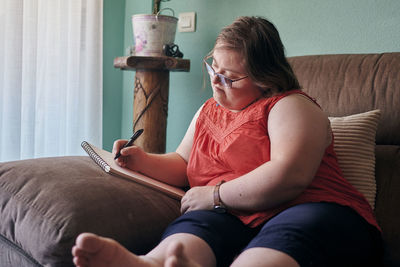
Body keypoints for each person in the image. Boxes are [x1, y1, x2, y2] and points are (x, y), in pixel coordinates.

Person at [72, 16, 382, 267]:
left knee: (286, 233)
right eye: (213, 69)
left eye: (229, 78)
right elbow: (183, 164)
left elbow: (290, 176)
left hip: (310, 209)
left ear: (266, 78)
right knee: (198, 226)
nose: (216, 82)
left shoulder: (290, 105)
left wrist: (215, 195)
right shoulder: (209, 111)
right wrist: (140, 159)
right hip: (236, 216)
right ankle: (154, 263)